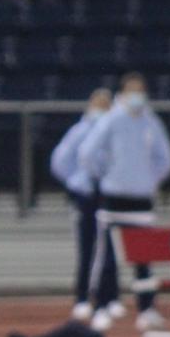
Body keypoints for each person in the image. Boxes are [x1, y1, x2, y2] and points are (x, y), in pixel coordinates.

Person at [78, 72, 170, 332]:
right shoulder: (112, 119)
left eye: (140, 90)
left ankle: (147, 308)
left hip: (142, 200)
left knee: (144, 259)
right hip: (114, 198)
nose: (137, 96)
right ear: (122, 93)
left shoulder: (150, 121)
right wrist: (105, 175)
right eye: (132, 90)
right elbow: (87, 153)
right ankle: (101, 306)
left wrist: (149, 181)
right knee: (107, 257)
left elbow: (166, 158)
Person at [49, 88, 113, 323]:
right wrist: (75, 181)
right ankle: (83, 298)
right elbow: (59, 161)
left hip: (106, 195)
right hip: (86, 195)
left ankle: (106, 299)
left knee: (107, 251)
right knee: (87, 249)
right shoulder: (80, 131)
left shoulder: (112, 132)